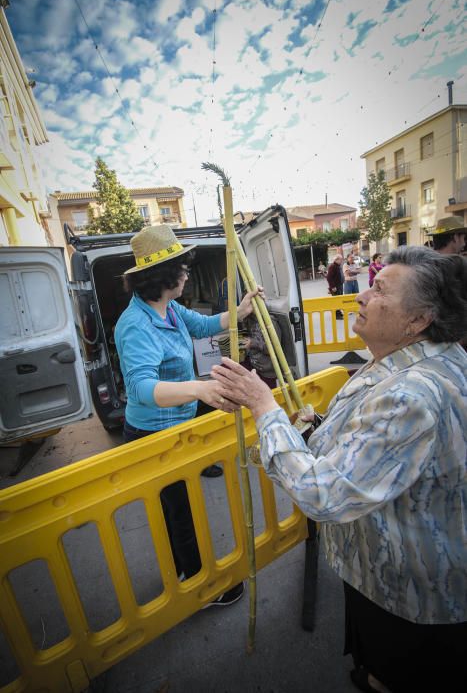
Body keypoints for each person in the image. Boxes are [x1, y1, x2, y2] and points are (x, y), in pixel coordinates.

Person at [211, 246, 467, 691]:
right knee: (377, 655)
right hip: (383, 564)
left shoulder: (413, 394)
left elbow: (323, 496)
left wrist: (263, 406)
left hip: (408, 583)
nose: (361, 296)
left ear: (418, 319)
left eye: (380, 290)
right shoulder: (419, 356)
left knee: (401, 667)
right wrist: (316, 427)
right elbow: (374, 442)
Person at [115, 224, 261, 606]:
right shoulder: (136, 325)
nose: (187, 273)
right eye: (181, 267)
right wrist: (200, 389)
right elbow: (141, 390)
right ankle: (200, 585)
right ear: (163, 275)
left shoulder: (169, 307)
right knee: (179, 513)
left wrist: (241, 309)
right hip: (154, 436)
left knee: (182, 506)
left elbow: (205, 326)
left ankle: (187, 572)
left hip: (178, 427)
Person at [242, 311, 282, 389]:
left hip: (266, 369)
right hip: (254, 363)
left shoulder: (270, 322)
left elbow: (273, 348)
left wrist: (252, 343)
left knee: (267, 394)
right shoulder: (251, 318)